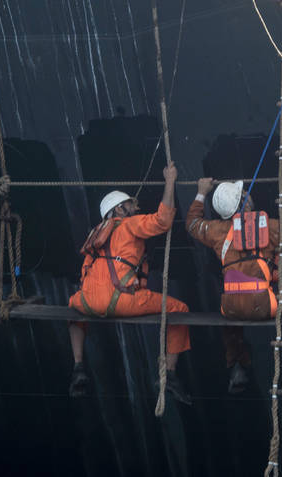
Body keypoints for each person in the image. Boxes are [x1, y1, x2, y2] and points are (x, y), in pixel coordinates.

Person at [67, 162, 192, 405]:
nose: (133, 209)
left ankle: (78, 365)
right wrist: (169, 181)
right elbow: (162, 221)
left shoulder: (95, 233)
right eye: (128, 206)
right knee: (180, 310)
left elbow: (85, 270)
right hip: (121, 300)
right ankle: (171, 374)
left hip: (87, 300)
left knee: (72, 310)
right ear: (118, 211)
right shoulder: (128, 225)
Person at [186, 178, 282, 394]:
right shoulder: (266, 227)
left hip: (229, 308)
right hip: (263, 305)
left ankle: (237, 366)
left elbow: (193, 224)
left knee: (233, 318)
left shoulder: (215, 231)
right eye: (244, 193)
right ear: (244, 203)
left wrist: (201, 192)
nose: (248, 194)